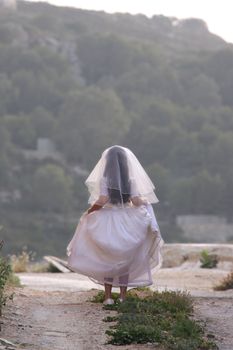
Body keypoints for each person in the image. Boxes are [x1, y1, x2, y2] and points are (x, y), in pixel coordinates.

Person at [67, 145, 164, 305]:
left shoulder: (105, 179)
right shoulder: (130, 180)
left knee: (108, 259)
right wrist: (145, 201)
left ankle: (107, 297)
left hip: (109, 221)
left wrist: (90, 211)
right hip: (128, 221)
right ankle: (122, 297)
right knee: (125, 260)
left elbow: (102, 200)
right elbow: (136, 201)